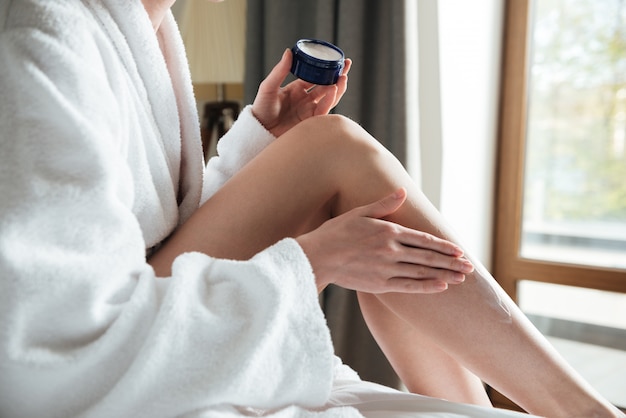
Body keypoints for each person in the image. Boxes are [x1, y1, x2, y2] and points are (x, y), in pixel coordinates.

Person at [0, 0, 622, 417]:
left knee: (346, 171)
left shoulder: (147, 25)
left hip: (143, 309)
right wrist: (308, 263)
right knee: (334, 149)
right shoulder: (41, 34)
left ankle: (495, 410)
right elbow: (46, 336)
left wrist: (261, 140)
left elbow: (159, 232)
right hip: (101, 344)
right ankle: (586, 412)